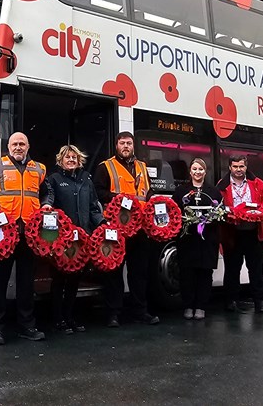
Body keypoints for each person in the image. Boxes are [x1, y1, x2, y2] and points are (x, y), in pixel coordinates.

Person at [0, 132, 53, 346]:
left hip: (29, 234)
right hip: (2, 235)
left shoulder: (39, 169)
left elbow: (47, 193)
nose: (18, 147)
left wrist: (47, 203)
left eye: (22, 144)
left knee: (26, 284)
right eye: (14, 144)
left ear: (28, 146)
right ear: (8, 146)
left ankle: (27, 326)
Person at [93, 131, 159, 327]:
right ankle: (113, 313)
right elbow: (98, 192)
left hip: (140, 229)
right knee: (113, 272)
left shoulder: (142, 167)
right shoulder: (105, 167)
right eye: (122, 143)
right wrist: (120, 198)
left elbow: (148, 192)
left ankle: (140, 311)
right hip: (116, 228)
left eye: (129, 143)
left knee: (139, 273)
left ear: (133, 146)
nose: (126, 147)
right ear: (116, 146)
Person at [46, 144, 104, 334]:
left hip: (82, 239)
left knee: (74, 280)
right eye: (67, 157)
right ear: (60, 161)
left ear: (79, 160)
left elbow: (94, 207)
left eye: (74, 157)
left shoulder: (86, 179)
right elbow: (49, 203)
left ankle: (70, 317)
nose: (71, 160)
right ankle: (57, 318)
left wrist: (102, 223)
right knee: (59, 279)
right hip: (61, 240)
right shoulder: (54, 179)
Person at [216, 155, 263, 314]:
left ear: (246, 167)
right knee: (232, 269)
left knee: (256, 269)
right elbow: (218, 206)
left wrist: (261, 211)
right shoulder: (222, 186)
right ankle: (231, 301)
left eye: (241, 166)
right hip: (232, 234)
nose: (238, 170)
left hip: (254, 233)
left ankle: (260, 301)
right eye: (235, 167)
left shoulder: (258, 183)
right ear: (229, 168)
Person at [173, 158, 223, 320]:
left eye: (200, 169)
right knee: (187, 273)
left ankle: (201, 306)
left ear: (205, 171)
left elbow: (220, 212)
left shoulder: (214, 191)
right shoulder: (181, 191)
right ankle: (188, 305)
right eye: (194, 169)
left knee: (205, 273)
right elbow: (174, 213)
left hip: (208, 239)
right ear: (190, 171)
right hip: (187, 239)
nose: (197, 172)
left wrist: (211, 219)